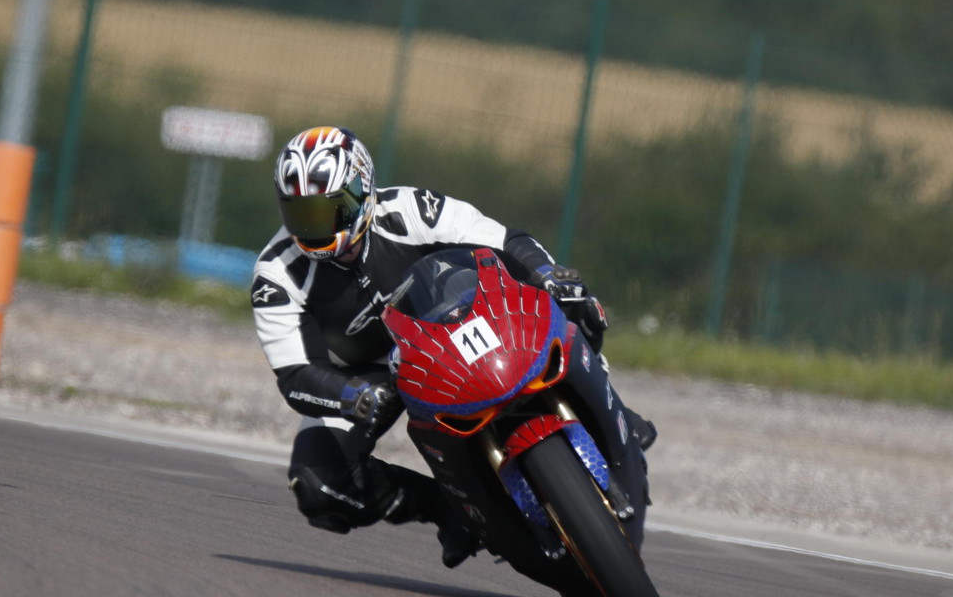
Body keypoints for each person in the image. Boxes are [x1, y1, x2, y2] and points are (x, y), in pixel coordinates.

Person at [250, 125, 655, 568]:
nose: (315, 229)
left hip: (445, 328)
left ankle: (612, 408)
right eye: (301, 215)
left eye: (329, 211)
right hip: (367, 377)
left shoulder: (410, 209)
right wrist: (352, 395)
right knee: (318, 485)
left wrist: (546, 273)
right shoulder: (276, 273)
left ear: (362, 191)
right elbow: (294, 373)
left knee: (571, 299)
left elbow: (505, 241)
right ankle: (452, 512)